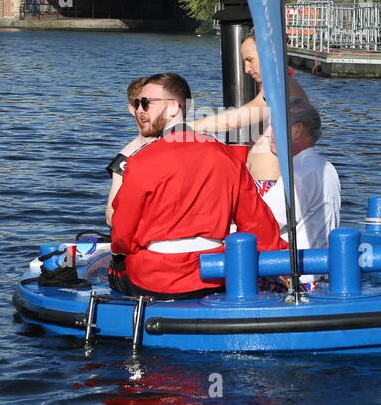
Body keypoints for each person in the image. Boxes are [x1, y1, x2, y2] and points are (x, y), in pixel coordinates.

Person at [110, 72, 286, 298]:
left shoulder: (141, 159)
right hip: (213, 274)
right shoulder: (226, 155)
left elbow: (123, 231)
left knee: (114, 265)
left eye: (146, 103)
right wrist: (281, 263)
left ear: (173, 107)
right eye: (137, 103)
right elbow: (256, 221)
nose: (140, 110)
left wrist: (123, 251)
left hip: (156, 278)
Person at [190, 30, 309, 183]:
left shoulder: (280, 87)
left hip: (271, 185)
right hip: (264, 182)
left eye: (250, 60)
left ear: (268, 55)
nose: (246, 69)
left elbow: (234, 119)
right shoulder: (280, 85)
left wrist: (185, 126)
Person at [261, 98, 341, 253]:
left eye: (274, 126)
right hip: (321, 267)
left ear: (297, 131)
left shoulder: (299, 174)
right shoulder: (325, 166)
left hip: (298, 273)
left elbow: (262, 222)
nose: (267, 134)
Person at [104, 76, 155, 226]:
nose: (145, 111)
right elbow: (111, 216)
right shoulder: (124, 158)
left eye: (150, 104)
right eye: (140, 104)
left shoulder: (181, 141)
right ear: (132, 109)